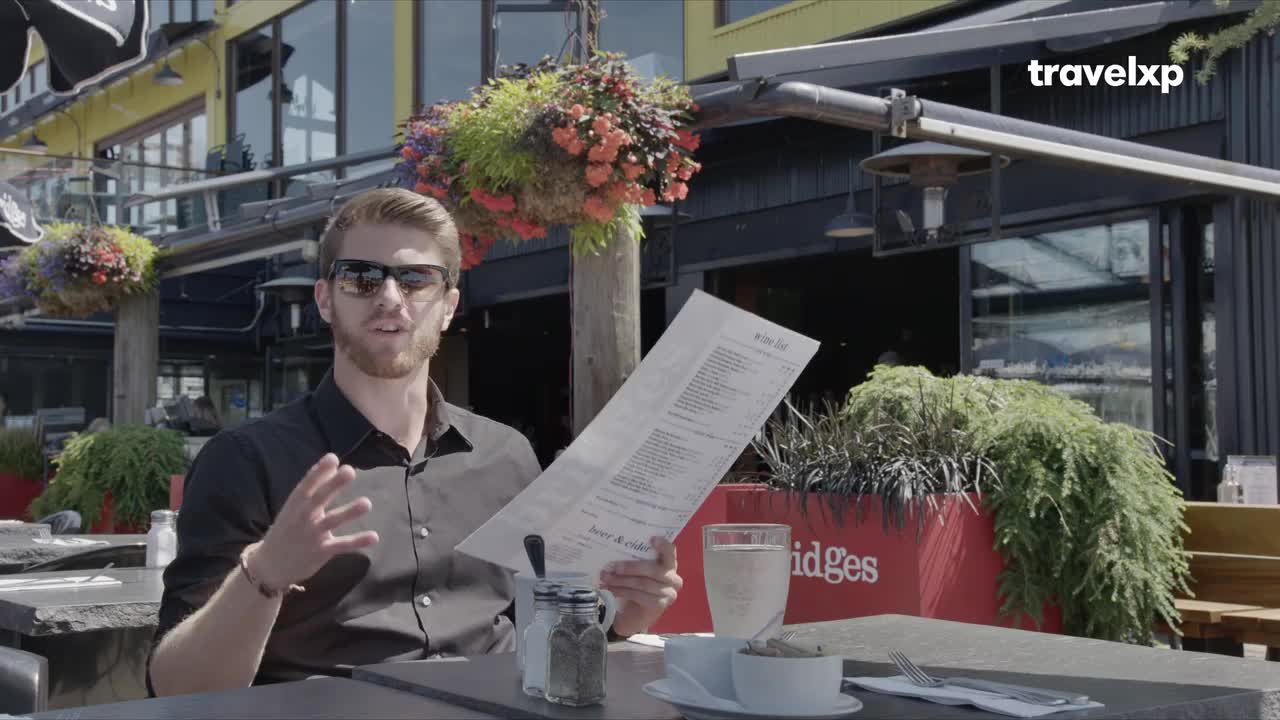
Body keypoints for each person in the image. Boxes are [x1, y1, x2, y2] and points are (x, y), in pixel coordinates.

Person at [147, 188, 683, 696]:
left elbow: (539, 626)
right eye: (361, 277)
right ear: (325, 300)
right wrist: (263, 574)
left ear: (448, 306)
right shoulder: (246, 462)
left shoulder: (507, 455)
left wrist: (624, 614)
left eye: (416, 279)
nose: (389, 297)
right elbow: (176, 687)